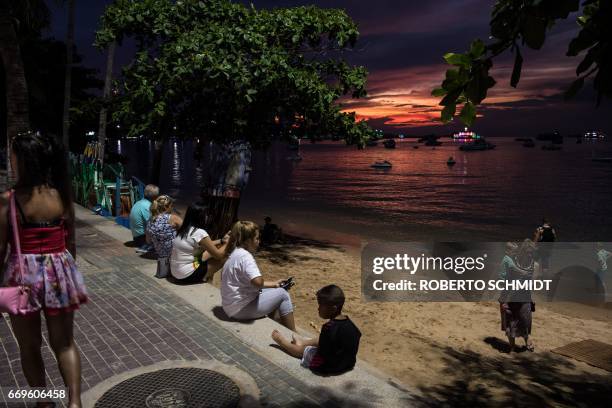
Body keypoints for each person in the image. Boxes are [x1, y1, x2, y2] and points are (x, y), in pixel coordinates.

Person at [0, 131, 88, 408]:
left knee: (29, 347)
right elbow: (70, 241)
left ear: (22, 160)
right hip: (59, 272)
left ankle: (44, 403)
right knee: (65, 343)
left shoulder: (10, 200)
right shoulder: (60, 194)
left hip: (22, 277)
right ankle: (74, 403)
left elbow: (0, 249)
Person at [221, 221, 295, 330]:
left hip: (230, 305)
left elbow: (252, 284)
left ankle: (273, 323)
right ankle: (293, 332)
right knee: (283, 294)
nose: (259, 242)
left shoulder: (235, 253)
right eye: (257, 238)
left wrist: (275, 284)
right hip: (239, 310)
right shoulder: (246, 257)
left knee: (276, 290)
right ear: (247, 241)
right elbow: (258, 282)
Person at [271, 285, 361, 375]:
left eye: (321, 305)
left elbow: (321, 354)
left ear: (333, 309)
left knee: (305, 351)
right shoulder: (350, 325)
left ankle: (282, 342)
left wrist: (307, 351)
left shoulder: (328, 327)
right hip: (348, 364)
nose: (318, 308)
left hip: (329, 366)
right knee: (325, 339)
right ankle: (302, 342)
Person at [169, 202, 227, 284]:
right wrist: (228, 242)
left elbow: (206, 244)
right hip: (186, 276)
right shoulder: (199, 232)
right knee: (226, 256)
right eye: (207, 215)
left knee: (210, 251)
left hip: (176, 273)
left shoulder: (184, 228)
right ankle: (205, 277)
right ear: (201, 217)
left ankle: (205, 275)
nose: (208, 217)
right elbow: (218, 255)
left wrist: (221, 241)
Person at [501, 239, 537, 352]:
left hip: (524, 296)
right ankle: (512, 347)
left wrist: (532, 299)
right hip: (508, 295)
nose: (530, 255)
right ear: (522, 251)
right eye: (528, 252)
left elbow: (532, 284)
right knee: (510, 321)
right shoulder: (512, 261)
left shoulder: (535, 265)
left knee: (525, 321)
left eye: (532, 253)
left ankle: (527, 342)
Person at [146, 195, 182, 278]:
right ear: (166, 207)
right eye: (171, 206)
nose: (172, 208)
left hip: (162, 258)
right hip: (176, 256)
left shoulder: (150, 220)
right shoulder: (173, 218)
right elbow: (188, 232)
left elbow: (148, 241)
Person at [129, 184, 159, 253]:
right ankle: (148, 247)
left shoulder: (138, 203)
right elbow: (153, 225)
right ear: (155, 197)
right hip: (142, 239)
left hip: (136, 237)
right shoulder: (147, 206)